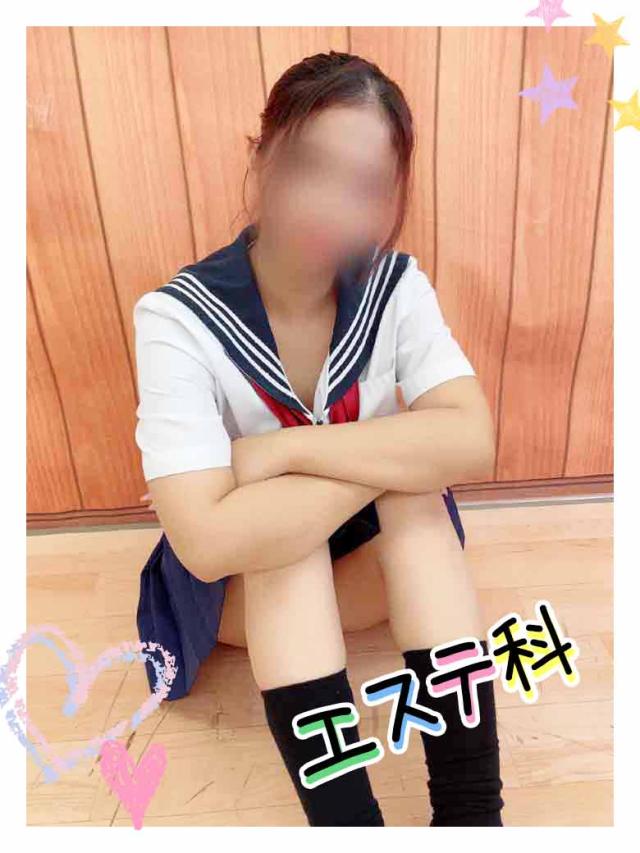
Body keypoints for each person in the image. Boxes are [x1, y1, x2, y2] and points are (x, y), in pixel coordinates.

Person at [133, 50, 504, 827]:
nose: (333, 209)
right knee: (289, 534)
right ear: (260, 158)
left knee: (413, 506)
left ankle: (473, 818)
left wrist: (284, 450)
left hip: (367, 574)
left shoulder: (396, 287)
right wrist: (396, 446)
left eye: (366, 187)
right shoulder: (177, 317)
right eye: (310, 167)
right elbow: (205, 540)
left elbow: (473, 440)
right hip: (238, 590)